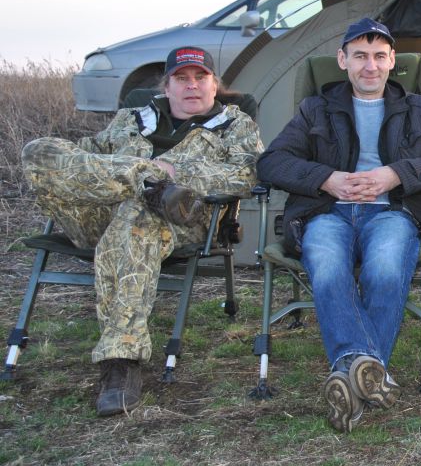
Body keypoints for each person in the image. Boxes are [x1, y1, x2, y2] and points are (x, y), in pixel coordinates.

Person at [21, 46, 263, 417]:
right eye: (181, 78)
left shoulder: (234, 125)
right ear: (167, 86)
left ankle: (121, 362)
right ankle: (145, 181)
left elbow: (247, 175)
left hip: (181, 222)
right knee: (38, 150)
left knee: (137, 215)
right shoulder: (131, 119)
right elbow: (83, 157)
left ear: (215, 85)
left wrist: (178, 173)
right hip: (97, 217)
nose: (192, 85)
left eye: (201, 77)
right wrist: (148, 174)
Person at [256, 17, 421, 433]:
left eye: (378, 56)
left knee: (386, 270)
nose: (369, 66)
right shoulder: (315, 108)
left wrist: (396, 174)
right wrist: (325, 178)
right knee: (328, 266)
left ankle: (349, 374)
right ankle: (367, 372)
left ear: (392, 61)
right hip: (327, 213)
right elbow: (272, 162)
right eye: (359, 56)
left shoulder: (419, 109)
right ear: (343, 60)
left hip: (392, 213)